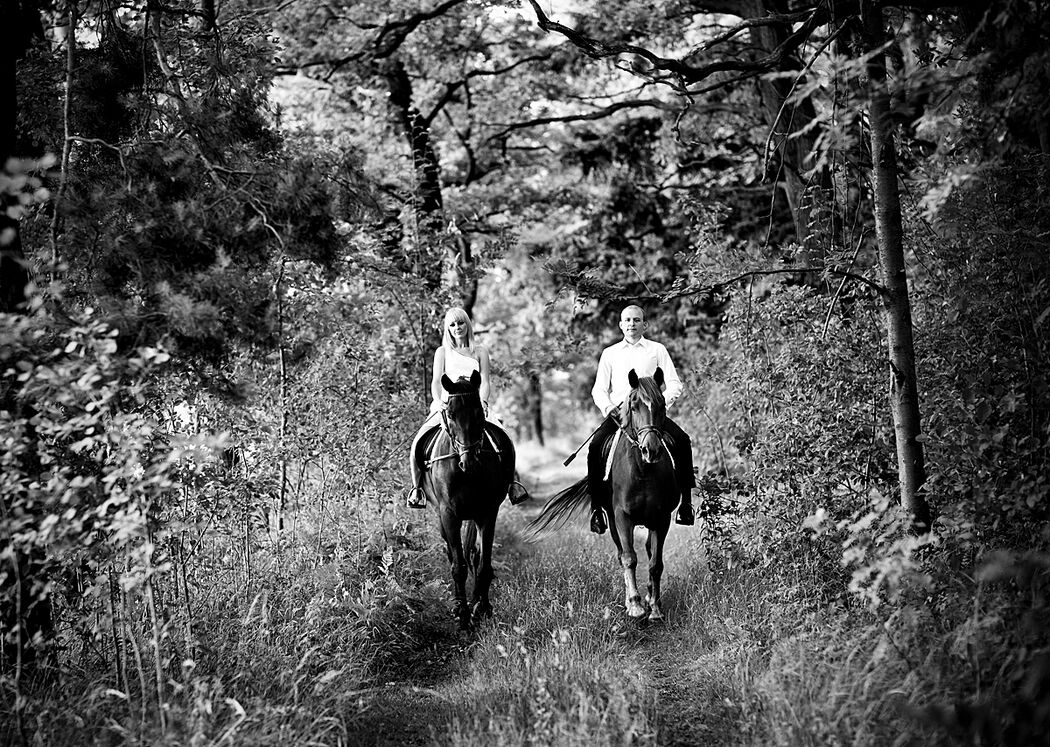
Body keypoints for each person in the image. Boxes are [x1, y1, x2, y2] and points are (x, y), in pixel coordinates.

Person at [586, 304, 695, 533]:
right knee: (596, 446)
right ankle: (597, 509)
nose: (631, 324)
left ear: (644, 324)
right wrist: (608, 408)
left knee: (683, 440)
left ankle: (686, 503)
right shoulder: (610, 353)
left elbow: (674, 383)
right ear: (620, 324)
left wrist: (659, 403)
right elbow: (598, 390)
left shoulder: (657, 350)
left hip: (651, 416)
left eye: (636, 320)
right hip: (620, 414)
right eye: (627, 320)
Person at [406, 307, 525, 508]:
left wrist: (484, 402)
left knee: (505, 440)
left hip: (475, 406)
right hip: (448, 406)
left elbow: (485, 381)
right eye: (452, 324)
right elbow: (436, 382)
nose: (457, 327)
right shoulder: (442, 352)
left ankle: (513, 485)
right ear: (448, 328)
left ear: (467, 324)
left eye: (460, 323)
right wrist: (439, 401)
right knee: (417, 443)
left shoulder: (480, 351)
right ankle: (417, 490)